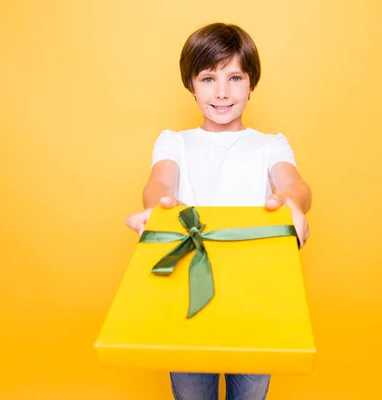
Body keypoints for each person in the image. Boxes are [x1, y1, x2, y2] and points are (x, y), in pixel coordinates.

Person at [125, 22, 311, 400]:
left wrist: (292, 203)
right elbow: (159, 183)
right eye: (208, 78)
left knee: (251, 393)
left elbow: (294, 184)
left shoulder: (269, 145)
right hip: (188, 293)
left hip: (255, 294)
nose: (222, 92)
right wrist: (158, 208)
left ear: (251, 82)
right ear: (191, 85)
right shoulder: (174, 142)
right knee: (192, 392)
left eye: (235, 77)